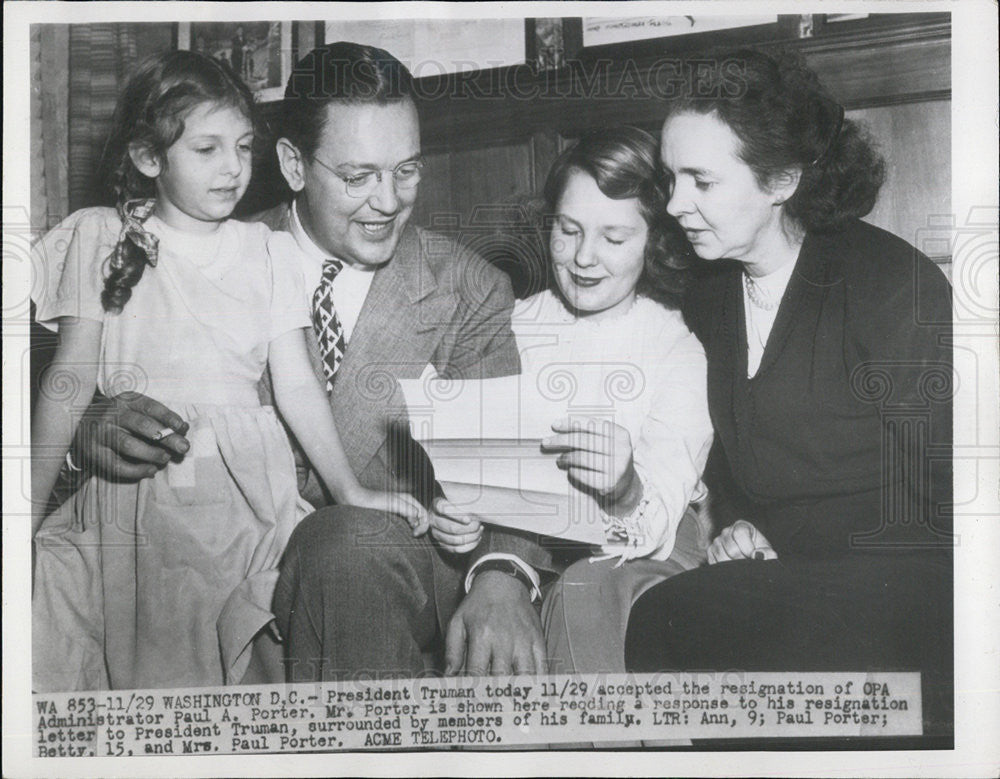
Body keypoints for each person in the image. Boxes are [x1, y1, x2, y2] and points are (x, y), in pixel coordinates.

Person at [61, 42, 546, 681]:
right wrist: (86, 440)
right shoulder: (200, 251)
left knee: (343, 544)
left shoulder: (469, 287)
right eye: (357, 175)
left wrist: (504, 577)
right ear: (292, 164)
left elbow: (514, 470)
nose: (388, 200)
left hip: (384, 570)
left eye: (407, 170)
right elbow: (69, 389)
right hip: (205, 564)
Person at [30, 50, 425, 692]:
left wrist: (349, 489)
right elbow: (68, 382)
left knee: (246, 673)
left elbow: (297, 383)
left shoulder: (266, 250)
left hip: (245, 499)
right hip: (137, 502)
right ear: (148, 157)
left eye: (243, 147)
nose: (234, 168)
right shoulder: (100, 237)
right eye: (207, 149)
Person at [624, 48, 953, 733]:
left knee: (675, 616)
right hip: (794, 576)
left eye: (701, 181)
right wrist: (747, 523)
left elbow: (959, 500)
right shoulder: (709, 299)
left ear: (781, 179)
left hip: (914, 584)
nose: (675, 203)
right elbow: (745, 463)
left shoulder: (892, 287)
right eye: (670, 178)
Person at [430, 127, 714, 676]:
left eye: (614, 238)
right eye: (569, 230)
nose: (584, 257)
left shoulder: (675, 346)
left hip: (637, 552)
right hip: (521, 546)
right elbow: (459, 462)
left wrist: (624, 485)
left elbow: (656, 520)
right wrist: (453, 512)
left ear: (654, 241)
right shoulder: (507, 322)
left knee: (584, 590)